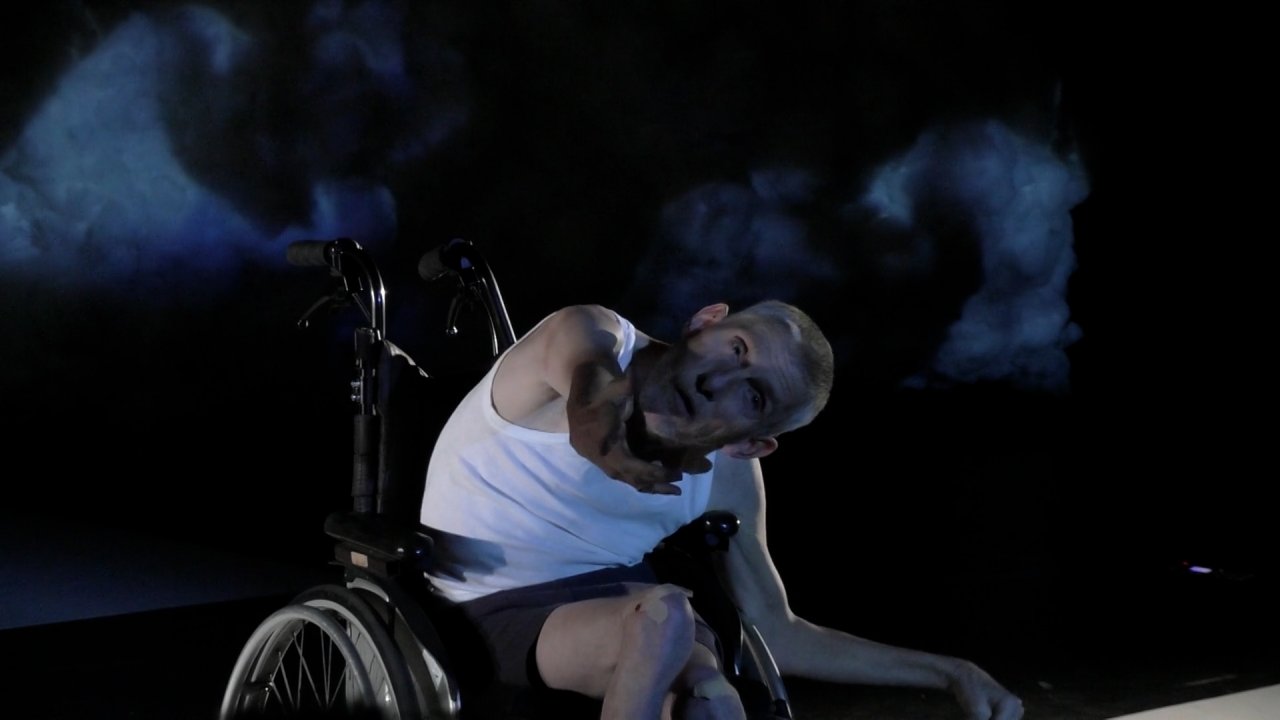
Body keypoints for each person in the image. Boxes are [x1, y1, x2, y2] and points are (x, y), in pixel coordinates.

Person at [420, 300, 1023, 720]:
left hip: (619, 606)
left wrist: (952, 673)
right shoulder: (592, 333)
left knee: (709, 697)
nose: (718, 381)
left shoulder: (728, 474)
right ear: (705, 321)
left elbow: (778, 633)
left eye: (752, 394)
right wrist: (601, 423)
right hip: (484, 604)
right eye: (736, 348)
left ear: (751, 443)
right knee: (666, 617)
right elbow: (589, 384)